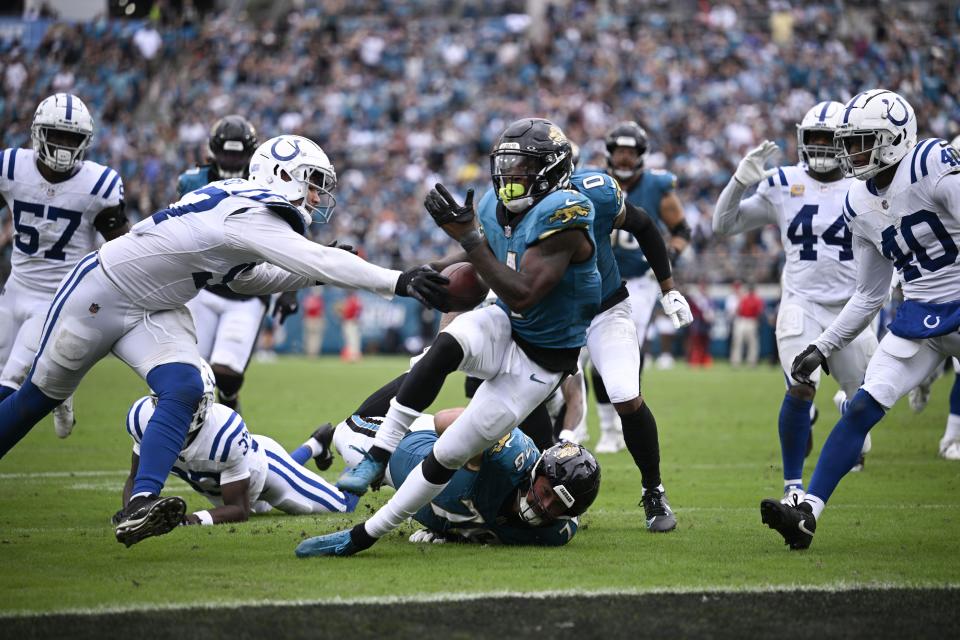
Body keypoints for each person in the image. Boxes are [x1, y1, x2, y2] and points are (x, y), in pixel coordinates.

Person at [0, 133, 448, 547]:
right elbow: (318, 259)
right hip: (101, 293)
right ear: (282, 174)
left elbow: (245, 280)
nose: (316, 196)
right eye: (313, 183)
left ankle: (140, 503)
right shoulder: (253, 210)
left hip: (156, 307)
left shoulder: (239, 206)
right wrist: (400, 281)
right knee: (34, 400)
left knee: (186, 389)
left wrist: (309, 276)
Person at [296, 117, 601, 557]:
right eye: (507, 166)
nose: (509, 177)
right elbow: (475, 258)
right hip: (506, 326)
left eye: (522, 168)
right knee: (444, 347)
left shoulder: (568, 215)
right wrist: (424, 273)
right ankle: (378, 454)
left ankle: (362, 536)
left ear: (551, 170)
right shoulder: (498, 209)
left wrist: (473, 243)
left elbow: (525, 294)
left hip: (539, 365)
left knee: (447, 457)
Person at [763, 89, 960, 550]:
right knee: (862, 408)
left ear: (893, 139)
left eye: (860, 142)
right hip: (920, 320)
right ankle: (808, 513)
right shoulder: (857, 200)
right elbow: (870, 292)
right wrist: (823, 347)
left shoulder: (931, 163)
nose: (849, 153)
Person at [713, 102, 877, 507]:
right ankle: (793, 487)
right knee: (800, 388)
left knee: (868, 404)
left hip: (853, 307)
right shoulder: (783, 182)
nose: (820, 147)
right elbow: (723, 225)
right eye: (814, 138)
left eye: (828, 138)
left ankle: (843, 412)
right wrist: (739, 181)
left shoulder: (868, 184)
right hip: (801, 303)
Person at [568, 164, 692, 531]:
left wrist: (668, 288)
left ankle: (653, 489)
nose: (515, 179)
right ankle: (536, 488)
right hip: (549, 317)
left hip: (606, 308)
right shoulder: (505, 208)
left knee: (624, 390)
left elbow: (644, 224)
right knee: (534, 395)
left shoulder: (595, 192)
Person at [0, 93, 129, 439]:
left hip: (59, 297)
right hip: (14, 289)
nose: (63, 145)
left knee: (11, 381)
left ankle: (57, 382)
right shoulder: (11, 167)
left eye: (72, 138)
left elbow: (121, 243)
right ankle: (62, 385)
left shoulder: (98, 184)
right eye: (56, 135)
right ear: (38, 133)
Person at [324, 388, 598, 546]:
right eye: (548, 492)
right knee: (345, 431)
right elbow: (443, 420)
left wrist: (450, 532)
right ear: (537, 471)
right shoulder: (508, 454)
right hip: (407, 449)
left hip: (427, 501)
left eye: (559, 505)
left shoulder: (554, 533)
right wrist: (471, 452)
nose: (545, 507)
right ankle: (320, 440)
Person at [115, 361, 355, 538]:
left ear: (207, 400)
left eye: (191, 402)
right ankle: (314, 445)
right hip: (225, 484)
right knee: (264, 507)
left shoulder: (225, 432)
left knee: (342, 506)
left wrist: (192, 521)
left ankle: (365, 463)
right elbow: (135, 479)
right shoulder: (142, 419)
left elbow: (240, 510)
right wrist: (131, 514)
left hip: (265, 471)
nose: (182, 409)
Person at [178, 115, 298, 412]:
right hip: (203, 288)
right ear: (214, 151)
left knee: (227, 374)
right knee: (190, 374)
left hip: (249, 291)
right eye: (227, 152)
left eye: (238, 153)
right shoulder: (191, 182)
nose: (232, 160)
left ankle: (228, 422)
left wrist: (291, 288)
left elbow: (289, 239)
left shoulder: (267, 183)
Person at [589, 121, 693, 453]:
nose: (623, 157)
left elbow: (682, 229)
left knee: (624, 348)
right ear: (609, 152)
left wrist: (669, 256)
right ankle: (607, 427)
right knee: (593, 356)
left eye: (629, 151)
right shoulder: (593, 183)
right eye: (619, 150)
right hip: (600, 278)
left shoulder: (657, 186)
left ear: (640, 155)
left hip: (640, 281)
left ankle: (620, 423)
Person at [730, 282, 763, 367]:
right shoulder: (744, 298)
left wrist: (757, 322)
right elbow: (738, 310)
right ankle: (736, 361)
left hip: (752, 320)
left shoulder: (757, 299)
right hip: (742, 320)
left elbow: (759, 312)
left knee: (752, 343)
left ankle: (752, 362)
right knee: (738, 342)